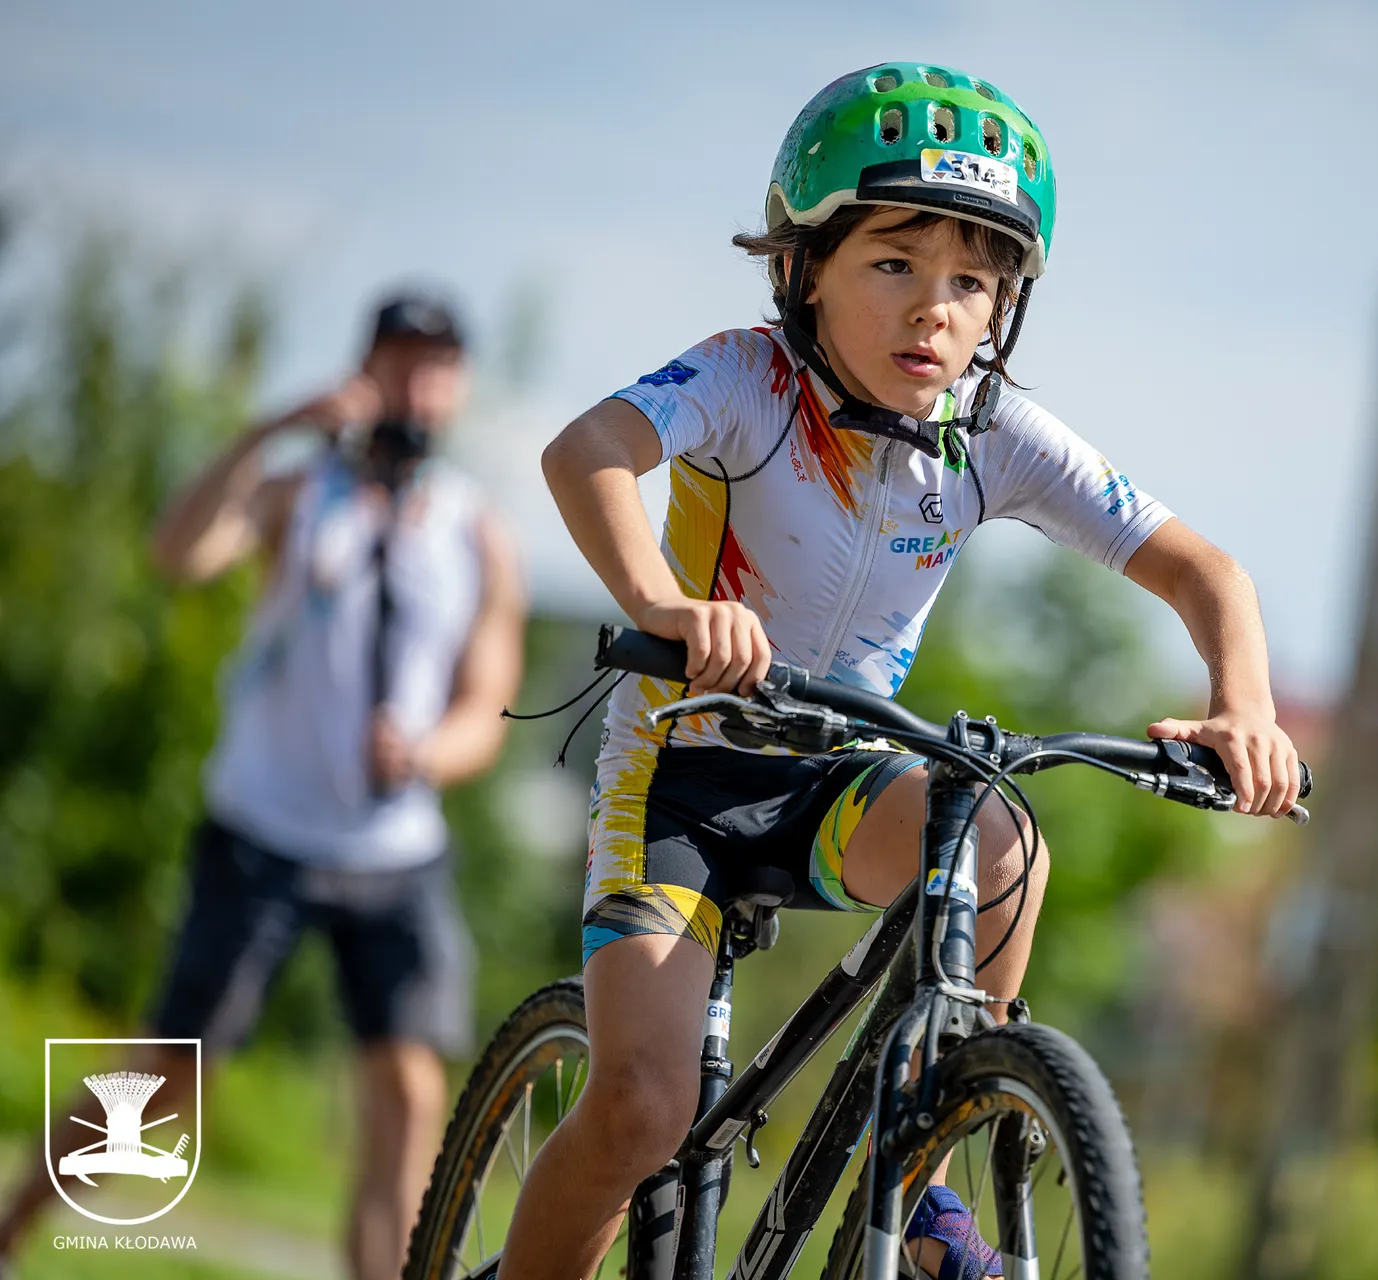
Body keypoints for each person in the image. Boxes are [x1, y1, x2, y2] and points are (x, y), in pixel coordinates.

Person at [501, 65, 1301, 1280]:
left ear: (1000, 310)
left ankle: (918, 1181)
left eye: (971, 282)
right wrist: (663, 603)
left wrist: (1246, 707)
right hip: (679, 780)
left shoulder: (987, 432)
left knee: (1003, 839)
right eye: (894, 265)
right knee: (642, 1110)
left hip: (842, 780)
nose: (934, 309)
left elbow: (1207, 570)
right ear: (804, 266)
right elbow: (589, 450)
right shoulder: (745, 380)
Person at [0, 290, 526, 1280]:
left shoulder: (473, 530)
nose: (417, 384)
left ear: (454, 385)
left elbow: (486, 700)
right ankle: (15, 1221)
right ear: (365, 367)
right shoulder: (299, 492)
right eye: (399, 360)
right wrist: (273, 426)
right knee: (169, 1077)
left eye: (436, 366)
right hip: (265, 830)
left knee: (411, 1088)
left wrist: (422, 752)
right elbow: (178, 551)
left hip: (392, 846)